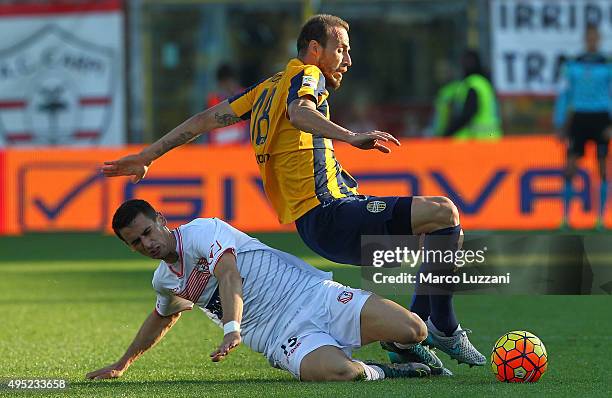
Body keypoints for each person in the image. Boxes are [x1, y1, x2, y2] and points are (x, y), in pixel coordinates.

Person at [102, 14, 485, 367]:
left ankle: (412, 336)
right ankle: (444, 328)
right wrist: (352, 137)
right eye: (341, 49)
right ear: (316, 50)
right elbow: (300, 113)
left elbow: (203, 120)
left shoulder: (266, 87)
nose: (347, 59)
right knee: (443, 213)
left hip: (318, 222)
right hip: (329, 212)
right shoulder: (308, 74)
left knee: (436, 243)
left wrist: (148, 155)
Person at [86, 199, 447, 382]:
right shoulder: (165, 281)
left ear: (161, 220)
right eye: (135, 242)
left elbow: (229, 276)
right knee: (343, 373)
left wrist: (231, 328)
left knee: (413, 329)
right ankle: (381, 371)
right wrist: (122, 364)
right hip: (279, 336)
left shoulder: (202, 231)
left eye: (148, 232)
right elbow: (162, 317)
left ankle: (399, 347)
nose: (146, 243)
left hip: (311, 293)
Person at [554, 24, 612, 230]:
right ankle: (566, 218)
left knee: (603, 168)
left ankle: (601, 219)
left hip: (601, 118)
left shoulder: (607, 64)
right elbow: (565, 95)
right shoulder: (573, 64)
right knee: (570, 168)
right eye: (589, 37)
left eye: (595, 37)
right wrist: (560, 123)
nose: (592, 40)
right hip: (579, 118)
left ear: (599, 39)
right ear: (585, 39)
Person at [443, 50, 502, 140]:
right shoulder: (484, 83)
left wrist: (447, 133)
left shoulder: (473, 84)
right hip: (491, 138)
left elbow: (468, 114)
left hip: (479, 141)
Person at [204, 63, 249, 145]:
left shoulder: (247, 97)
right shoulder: (212, 100)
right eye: (224, 83)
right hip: (218, 152)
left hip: (242, 151)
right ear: (220, 84)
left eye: (229, 82)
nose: (227, 86)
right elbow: (208, 133)